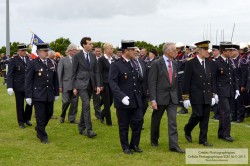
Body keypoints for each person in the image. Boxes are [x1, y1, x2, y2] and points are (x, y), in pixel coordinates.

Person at [148, 42, 185, 153]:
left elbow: (175, 82)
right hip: (160, 98)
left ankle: (174, 145)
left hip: (172, 98)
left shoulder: (174, 63)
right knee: (156, 120)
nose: (176, 52)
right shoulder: (156, 63)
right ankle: (154, 139)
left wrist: (179, 98)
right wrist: (153, 100)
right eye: (174, 50)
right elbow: (152, 82)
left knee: (173, 121)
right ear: (167, 51)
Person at [109, 40, 143, 154]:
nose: (135, 52)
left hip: (136, 99)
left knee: (138, 121)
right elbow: (112, 82)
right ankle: (125, 147)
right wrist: (121, 96)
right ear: (126, 51)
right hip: (123, 101)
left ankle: (134, 144)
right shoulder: (116, 65)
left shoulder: (134, 63)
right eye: (133, 50)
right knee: (124, 125)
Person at [183, 40, 215, 146]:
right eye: (206, 50)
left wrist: (213, 94)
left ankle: (203, 140)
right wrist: (185, 97)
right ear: (199, 51)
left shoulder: (210, 63)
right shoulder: (190, 63)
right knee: (197, 114)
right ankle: (188, 128)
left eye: (208, 50)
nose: (208, 52)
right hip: (196, 94)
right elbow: (186, 81)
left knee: (205, 117)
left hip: (206, 94)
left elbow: (211, 80)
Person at [25, 43, 59, 144]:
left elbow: (55, 79)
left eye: (47, 51)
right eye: (44, 51)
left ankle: (39, 128)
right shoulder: (33, 63)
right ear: (39, 52)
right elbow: (28, 80)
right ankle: (43, 136)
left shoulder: (52, 62)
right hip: (38, 93)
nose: (46, 52)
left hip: (49, 93)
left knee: (49, 113)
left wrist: (56, 92)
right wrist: (28, 96)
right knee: (40, 115)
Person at [72, 37, 101, 138]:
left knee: (85, 106)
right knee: (87, 104)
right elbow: (73, 72)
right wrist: (74, 87)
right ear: (84, 45)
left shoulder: (93, 56)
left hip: (91, 84)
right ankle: (89, 129)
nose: (91, 45)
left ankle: (81, 127)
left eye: (92, 43)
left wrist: (97, 85)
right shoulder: (77, 56)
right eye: (89, 44)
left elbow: (96, 71)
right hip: (81, 84)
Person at [212, 42, 239, 142]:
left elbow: (233, 76)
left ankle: (221, 133)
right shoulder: (216, 62)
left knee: (225, 112)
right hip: (221, 91)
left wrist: (236, 89)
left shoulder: (230, 61)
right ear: (224, 51)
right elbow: (213, 79)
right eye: (229, 50)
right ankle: (226, 134)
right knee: (226, 112)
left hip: (230, 90)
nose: (231, 52)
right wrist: (214, 93)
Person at [7, 44, 33, 128]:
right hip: (18, 86)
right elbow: (10, 74)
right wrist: (9, 86)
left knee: (30, 103)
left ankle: (27, 118)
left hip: (28, 85)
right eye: (22, 50)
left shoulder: (29, 58)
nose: (24, 52)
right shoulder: (13, 60)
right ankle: (21, 122)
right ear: (19, 51)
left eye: (25, 50)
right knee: (20, 104)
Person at [57, 44, 79, 124]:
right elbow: (59, 73)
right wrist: (59, 86)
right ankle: (62, 116)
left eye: (76, 50)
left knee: (74, 102)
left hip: (76, 85)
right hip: (65, 85)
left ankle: (72, 118)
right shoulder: (63, 60)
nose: (76, 52)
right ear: (69, 51)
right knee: (65, 102)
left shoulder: (77, 60)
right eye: (74, 50)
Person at [98, 43, 114, 126]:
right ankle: (109, 122)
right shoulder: (101, 59)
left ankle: (101, 114)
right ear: (106, 49)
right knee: (107, 102)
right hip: (104, 83)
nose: (112, 50)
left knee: (111, 101)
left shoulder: (113, 59)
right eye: (111, 48)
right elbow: (99, 72)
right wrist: (100, 84)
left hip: (112, 83)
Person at [176, 42, 188, 114]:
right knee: (179, 93)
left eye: (178, 48)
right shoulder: (177, 56)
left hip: (183, 76)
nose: (177, 50)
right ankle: (181, 106)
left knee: (184, 92)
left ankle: (185, 108)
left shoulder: (185, 56)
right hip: (178, 76)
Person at [92, 46, 102, 120]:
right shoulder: (91, 60)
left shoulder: (103, 59)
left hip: (103, 82)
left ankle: (100, 112)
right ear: (94, 51)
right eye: (96, 51)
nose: (98, 52)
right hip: (93, 83)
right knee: (96, 100)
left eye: (99, 51)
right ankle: (98, 115)